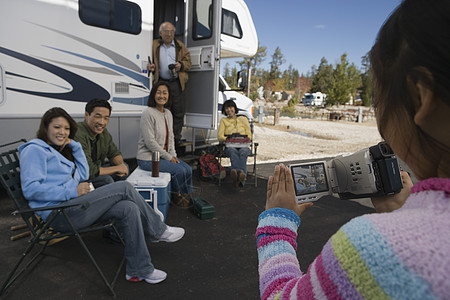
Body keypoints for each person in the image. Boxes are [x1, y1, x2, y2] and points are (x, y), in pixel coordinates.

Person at [256, 0, 450, 299]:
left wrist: (278, 221)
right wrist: (405, 214)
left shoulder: (375, 249)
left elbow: (279, 296)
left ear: (420, 96)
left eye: (379, 94)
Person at [18, 107, 185, 284]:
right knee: (124, 187)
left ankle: (138, 270)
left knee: (128, 208)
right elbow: (31, 189)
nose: (62, 132)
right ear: (45, 128)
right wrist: (71, 191)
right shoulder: (34, 150)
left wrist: (75, 146)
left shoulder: (56, 150)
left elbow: (83, 176)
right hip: (59, 214)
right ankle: (158, 230)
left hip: (72, 206)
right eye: (57, 127)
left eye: (66, 129)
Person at [137, 81, 193, 207]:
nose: (161, 96)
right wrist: (168, 157)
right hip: (148, 158)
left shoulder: (168, 113)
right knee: (179, 171)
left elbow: (171, 137)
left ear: (168, 96)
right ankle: (176, 195)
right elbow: (150, 142)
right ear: (153, 95)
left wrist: (173, 155)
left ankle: (186, 194)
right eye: (158, 92)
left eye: (165, 93)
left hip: (164, 156)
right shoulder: (148, 113)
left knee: (188, 169)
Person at [148, 21, 192, 147]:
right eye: (166, 31)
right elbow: (147, 58)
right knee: (161, 111)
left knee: (178, 112)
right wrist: (150, 66)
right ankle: (162, 139)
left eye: (171, 31)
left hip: (176, 83)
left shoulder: (179, 46)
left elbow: (189, 63)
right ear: (160, 33)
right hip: (161, 82)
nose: (169, 34)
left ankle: (175, 139)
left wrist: (181, 65)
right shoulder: (154, 44)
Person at [74, 99, 128, 188]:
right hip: (81, 176)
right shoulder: (78, 133)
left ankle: (114, 192)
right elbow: (88, 170)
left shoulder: (103, 132)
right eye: (98, 116)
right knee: (106, 180)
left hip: (96, 170)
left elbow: (114, 153)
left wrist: (121, 166)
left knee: (125, 167)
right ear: (87, 115)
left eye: (106, 118)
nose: (102, 122)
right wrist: (118, 168)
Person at [218, 100, 252, 187]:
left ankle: (236, 176)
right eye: (227, 108)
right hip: (230, 145)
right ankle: (241, 176)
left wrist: (243, 139)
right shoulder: (224, 121)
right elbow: (220, 136)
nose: (229, 110)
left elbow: (249, 134)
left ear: (234, 108)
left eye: (231, 107)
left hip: (243, 144)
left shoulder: (243, 119)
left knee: (243, 152)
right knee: (233, 151)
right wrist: (229, 139)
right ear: (224, 110)